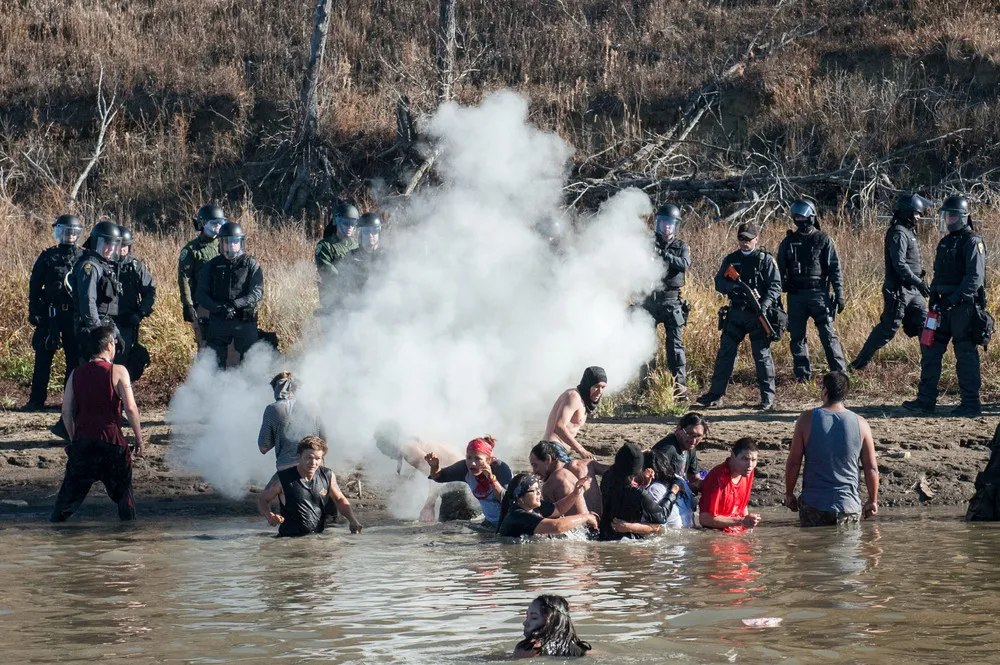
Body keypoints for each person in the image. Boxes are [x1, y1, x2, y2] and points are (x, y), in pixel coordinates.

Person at [903, 194, 989, 417]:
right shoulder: (945, 242)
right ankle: (925, 401)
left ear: (962, 217)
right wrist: (934, 300)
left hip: (963, 308)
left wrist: (952, 300)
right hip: (942, 308)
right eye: (946, 217)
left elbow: (974, 279)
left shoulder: (973, 241)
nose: (948, 221)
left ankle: (971, 403)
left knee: (965, 355)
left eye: (951, 217)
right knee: (930, 351)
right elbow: (939, 275)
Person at [51, 324, 144, 522]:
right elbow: (131, 408)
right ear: (110, 345)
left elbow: (66, 412)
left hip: (83, 443)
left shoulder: (75, 373)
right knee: (125, 499)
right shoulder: (118, 371)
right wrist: (139, 439)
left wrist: (74, 438)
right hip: (112, 444)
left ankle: (56, 533)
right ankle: (129, 539)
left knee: (63, 506)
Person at [697, 223, 782, 410]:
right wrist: (733, 287)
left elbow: (776, 286)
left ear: (756, 239)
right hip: (736, 312)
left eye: (748, 239)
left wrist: (764, 305)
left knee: (761, 355)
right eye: (741, 239)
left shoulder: (765, 260)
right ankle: (716, 395)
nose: (745, 243)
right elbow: (719, 282)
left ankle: (767, 398)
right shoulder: (731, 259)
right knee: (726, 353)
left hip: (758, 314)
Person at [785, 371, 879, 527]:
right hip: (848, 506)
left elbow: (794, 462)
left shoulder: (806, 419)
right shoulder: (861, 423)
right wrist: (873, 500)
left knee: (813, 548)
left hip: (814, 505)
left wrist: (789, 495)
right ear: (845, 394)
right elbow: (872, 469)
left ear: (825, 391)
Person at [849, 193, 931, 371]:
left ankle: (930, 366)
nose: (919, 217)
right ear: (908, 213)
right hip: (899, 290)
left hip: (913, 291)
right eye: (917, 213)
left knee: (925, 325)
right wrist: (919, 282)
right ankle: (857, 365)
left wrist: (918, 284)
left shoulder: (909, 232)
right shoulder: (898, 233)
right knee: (888, 329)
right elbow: (899, 264)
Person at [777, 199, 847, 382]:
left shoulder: (823, 240)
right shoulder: (788, 241)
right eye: (796, 217)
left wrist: (839, 295)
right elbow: (779, 269)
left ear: (811, 216)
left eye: (802, 216)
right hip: (795, 295)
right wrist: (782, 289)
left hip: (819, 295)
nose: (799, 220)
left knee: (828, 336)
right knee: (797, 337)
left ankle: (840, 376)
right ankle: (802, 377)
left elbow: (835, 269)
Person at [23, 214, 84, 410]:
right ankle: (36, 400)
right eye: (65, 232)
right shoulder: (48, 256)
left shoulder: (84, 256)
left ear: (77, 234)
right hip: (50, 315)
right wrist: (33, 310)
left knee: (73, 359)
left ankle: (70, 401)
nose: (69, 236)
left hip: (73, 316)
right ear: (59, 233)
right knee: (42, 357)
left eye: (72, 233)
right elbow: (34, 286)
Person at [256, 436, 363, 537]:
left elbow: (339, 499)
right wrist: (269, 516)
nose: (313, 463)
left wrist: (353, 520)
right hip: (288, 540)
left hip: (317, 538)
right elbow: (263, 500)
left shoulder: (327, 475)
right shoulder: (282, 478)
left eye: (317, 458)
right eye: (309, 458)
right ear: (299, 456)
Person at [373, 422, 477, 522]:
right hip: (466, 479)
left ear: (391, 442)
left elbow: (435, 476)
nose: (383, 452)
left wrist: (428, 506)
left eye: (383, 446)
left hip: (460, 482)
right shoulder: (413, 441)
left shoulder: (408, 449)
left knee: (450, 531)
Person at [196, 221, 264, 368]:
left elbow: (257, 292)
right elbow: (201, 294)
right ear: (221, 244)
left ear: (240, 243)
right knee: (213, 362)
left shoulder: (250, 264)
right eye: (227, 242)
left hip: (244, 320)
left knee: (251, 361)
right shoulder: (212, 265)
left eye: (235, 242)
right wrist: (218, 308)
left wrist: (235, 304)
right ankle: (215, 389)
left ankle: (249, 390)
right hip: (219, 319)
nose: (231, 245)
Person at [641, 204, 691, 398]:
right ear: (658, 224)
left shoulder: (681, 246)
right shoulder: (647, 244)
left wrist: (662, 254)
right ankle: (646, 389)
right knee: (645, 347)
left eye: (670, 224)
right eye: (663, 223)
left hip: (671, 301)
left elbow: (684, 264)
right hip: (649, 300)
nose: (667, 227)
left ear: (675, 226)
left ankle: (680, 389)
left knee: (675, 348)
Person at [425, 435, 513, 529]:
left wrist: (492, 479)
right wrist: (434, 467)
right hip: (490, 523)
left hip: (510, 521)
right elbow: (439, 477)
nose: (472, 463)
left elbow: (508, 501)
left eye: (478, 458)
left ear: (488, 460)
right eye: (469, 457)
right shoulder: (465, 468)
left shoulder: (500, 468)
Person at [612, 449, 693, 536]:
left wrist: (627, 527)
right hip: (688, 531)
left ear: (648, 471)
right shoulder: (680, 480)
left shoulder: (654, 489)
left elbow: (656, 527)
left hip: (670, 541)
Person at [257, 372, 327, 471]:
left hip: (287, 467)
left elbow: (263, 448)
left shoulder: (272, 409)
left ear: (277, 389)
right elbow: (324, 441)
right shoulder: (313, 405)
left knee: (272, 487)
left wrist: (279, 434)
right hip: (315, 466)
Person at [599, 442, 668, 540]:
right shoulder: (640, 494)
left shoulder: (607, 478)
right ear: (640, 469)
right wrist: (673, 493)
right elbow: (660, 520)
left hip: (603, 535)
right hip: (629, 541)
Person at [113, 226, 156, 381]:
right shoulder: (103, 265)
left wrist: (140, 313)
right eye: (119, 246)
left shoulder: (137, 267)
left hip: (128, 320)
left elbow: (149, 293)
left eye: (125, 246)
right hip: (106, 320)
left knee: (124, 360)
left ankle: (122, 395)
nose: (122, 250)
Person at [71, 220, 123, 348]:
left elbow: (105, 310)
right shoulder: (90, 266)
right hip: (91, 330)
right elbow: (88, 301)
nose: (111, 248)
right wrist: (98, 333)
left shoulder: (104, 266)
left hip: (104, 326)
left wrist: (115, 333)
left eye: (113, 244)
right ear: (97, 243)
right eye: (106, 243)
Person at [178, 204, 224, 347]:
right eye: (213, 224)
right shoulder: (191, 249)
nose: (217, 227)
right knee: (205, 345)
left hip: (223, 303)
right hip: (203, 304)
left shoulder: (225, 244)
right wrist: (188, 305)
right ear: (203, 224)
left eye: (220, 223)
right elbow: (184, 278)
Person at [496, 473, 598, 538]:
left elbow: (558, 508)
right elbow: (557, 527)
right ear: (520, 497)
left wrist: (575, 493)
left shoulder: (533, 506)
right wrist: (585, 517)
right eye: (534, 490)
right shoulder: (518, 515)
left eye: (538, 489)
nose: (539, 493)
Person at [543, 366, 608, 459]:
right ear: (588, 384)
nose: (600, 391)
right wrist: (581, 450)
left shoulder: (583, 401)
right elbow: (559, 426)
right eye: (596, 386)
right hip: (552, 449)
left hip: (561, 450)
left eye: (603, 387)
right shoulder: (573, 396)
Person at [698, 438, 761, 533]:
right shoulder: (717, 477)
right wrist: (741, 521)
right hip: (717, 534)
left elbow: (742, 503)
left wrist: (748, 523)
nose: (750, 465)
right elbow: (705, 519)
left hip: (736, 530)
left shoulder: (747, 472)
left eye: (754, 460)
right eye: (745, 459)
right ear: (733, 455)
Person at [528, 441, 607, 515]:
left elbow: (550, 519)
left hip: (582, 527)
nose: (534, 471)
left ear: (548, 460)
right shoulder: (585, 465)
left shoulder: (551, 484)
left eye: (535, 465)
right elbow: (615, 470)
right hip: (601, 522)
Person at [315, 201, 360, 315]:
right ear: (336, 221)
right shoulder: (325, 245)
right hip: (333, 300)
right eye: (345, 222)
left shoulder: (356, 245)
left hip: (355, 299)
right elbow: (327, 271)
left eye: (353, 223)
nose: (350, 226)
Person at [513, 594, 591, 659]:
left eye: (534, 618)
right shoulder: (581, 650)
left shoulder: (528, 649)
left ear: (552, 622)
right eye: (527, 617)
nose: (525, 623)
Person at [651, 412, 708, 490]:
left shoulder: (689, 448)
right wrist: (688, 487)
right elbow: (654, 482)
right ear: (679, 429)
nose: (693, 440)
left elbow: (694, 478)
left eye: (698, 436)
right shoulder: (667, 450)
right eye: (689, 434)